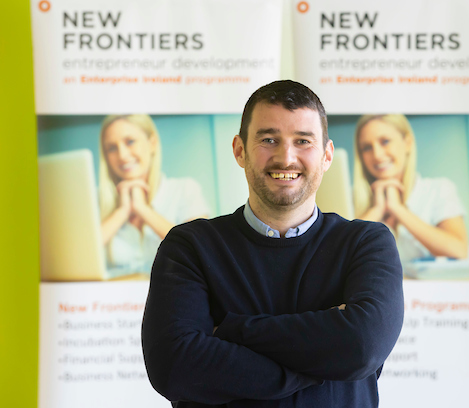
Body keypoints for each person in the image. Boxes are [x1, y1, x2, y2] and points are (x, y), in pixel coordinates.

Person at [142, 81, 404, 407]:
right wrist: (322, 362)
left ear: (326, 155)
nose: (286, 157)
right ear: (239, 150)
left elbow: (363, 344)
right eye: (269, 140)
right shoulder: (189, 247)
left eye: (303, 141)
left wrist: (230, 331)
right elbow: (173, 366)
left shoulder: (366, 243)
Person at [99, 114, 209, 275]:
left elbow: (201, 253)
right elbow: (78, 259)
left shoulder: (185, 189)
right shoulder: (95, 200)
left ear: (152, 143)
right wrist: (121, 213)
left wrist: (143, 209)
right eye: (112, 148)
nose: (122, 155)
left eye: (130, 142)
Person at [353, 114, 469, 262]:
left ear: (407, 143)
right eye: (367, 147)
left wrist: (398, 209)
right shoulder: (352, 197)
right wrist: (376, 211)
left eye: (385, 141)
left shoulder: (438, 189)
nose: (377, 155)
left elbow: (458, 250)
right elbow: (339, 256)